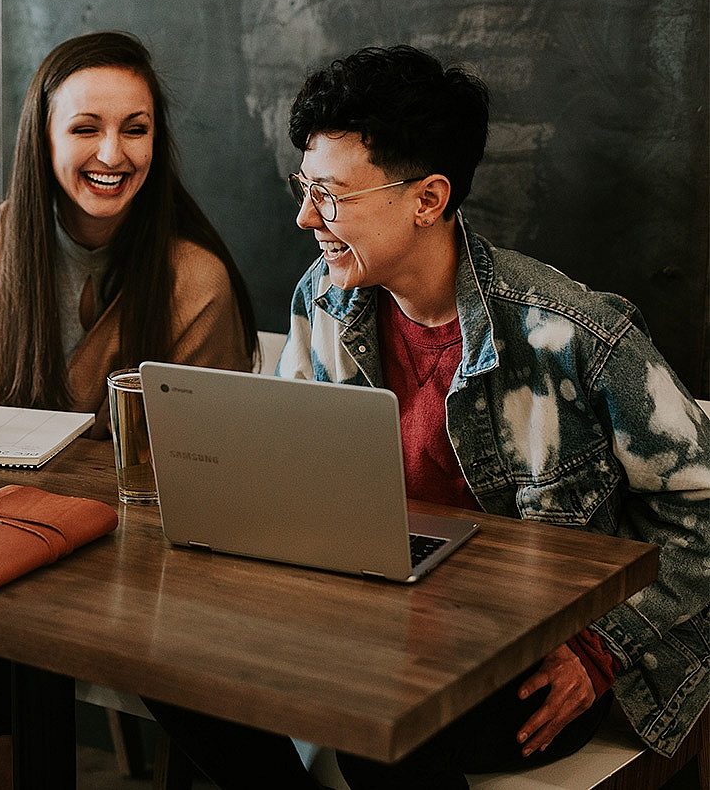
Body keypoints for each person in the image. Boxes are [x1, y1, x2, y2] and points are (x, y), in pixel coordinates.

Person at [145, 45, 710, 789]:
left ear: (427, 199)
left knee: (381, 722)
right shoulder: (324, 299)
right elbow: (295, 486)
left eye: (332, 194)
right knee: (169, 667)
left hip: (532, 651)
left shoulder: (573, 334)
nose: (305, 215)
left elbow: (699, 511)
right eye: (304, 187)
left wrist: (600, 648)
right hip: (377, 621)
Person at [0, 31, 258, 790]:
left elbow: (205, 475)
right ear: (43, 137)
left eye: (135, 129)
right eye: (85, 127)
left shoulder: (193, 281)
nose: (113, 153)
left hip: (131, 564)